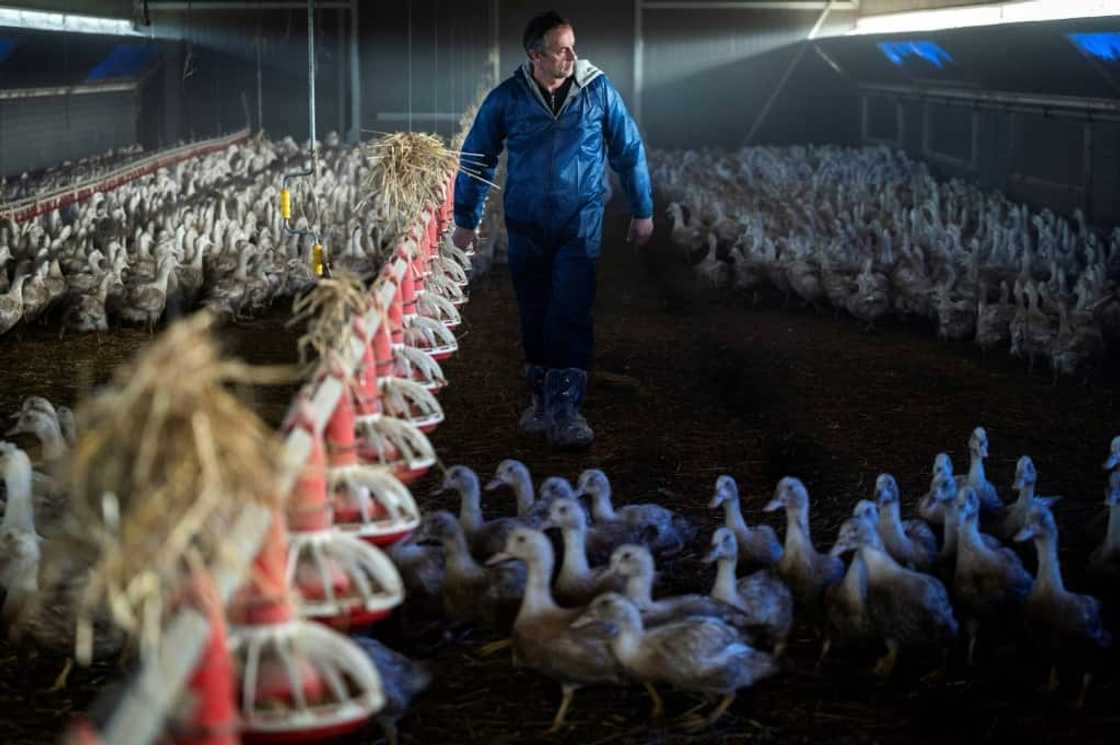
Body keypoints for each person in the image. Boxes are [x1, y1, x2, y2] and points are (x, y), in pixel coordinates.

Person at [451, 10, 654, 450]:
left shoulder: (597, 90)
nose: (572, 56)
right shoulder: (507, 98)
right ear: (536, 55)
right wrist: (465, 220)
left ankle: (567, 408)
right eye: (562, 49)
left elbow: (628, 148)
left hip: (579, 221)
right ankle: (540, 400)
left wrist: (643, 208)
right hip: (525, 224)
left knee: (570, 310)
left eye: (573, 47)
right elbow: (476, 157)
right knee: (534, 312)